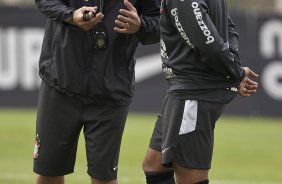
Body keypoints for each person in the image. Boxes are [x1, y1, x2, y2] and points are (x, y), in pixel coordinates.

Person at [33, 0, 160, 184]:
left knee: (104, 178)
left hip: (111, 91)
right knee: (48, 171)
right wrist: (70, 16)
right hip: (61, 82)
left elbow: (161, 23)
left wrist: (141, 25)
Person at [142, 0, 259, 184]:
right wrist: (234, 68)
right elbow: (229, 29)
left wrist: (235, 71)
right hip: (185, 89)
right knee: (154, 165)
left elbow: (209, 45)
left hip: (193, 93)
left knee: (189, 177)